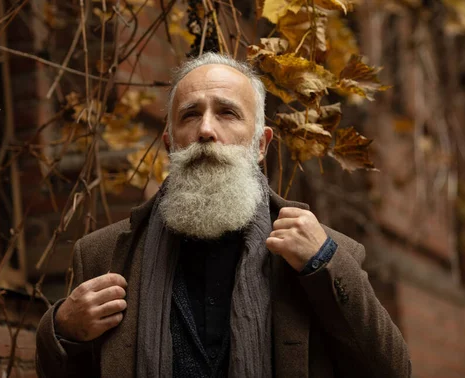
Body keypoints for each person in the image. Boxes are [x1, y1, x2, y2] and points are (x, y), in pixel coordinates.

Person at [35, 53, 411, 378]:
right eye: (189, 115)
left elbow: (391, 370)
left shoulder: (319, 252)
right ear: (170, 143)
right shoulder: (103, 254)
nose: (205, 130)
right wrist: (63, 330)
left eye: (227, 113)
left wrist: (325, 264)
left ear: (261, 144)